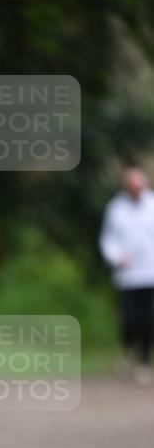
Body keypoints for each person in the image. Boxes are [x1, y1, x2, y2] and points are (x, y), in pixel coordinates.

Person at [99, 165, 154, 386]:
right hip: (127, 276)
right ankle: (129, 351)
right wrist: (116, 257)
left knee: (149, 319)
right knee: (130, 319)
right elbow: (107, 239)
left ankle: (144, 361)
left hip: (150, 273)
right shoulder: (116, 208)